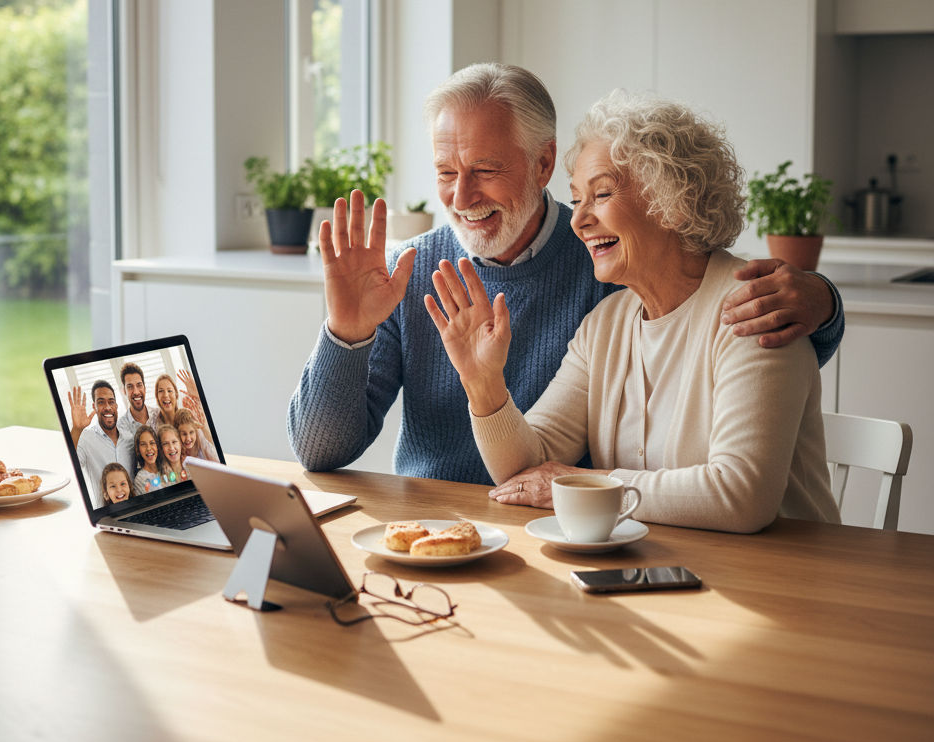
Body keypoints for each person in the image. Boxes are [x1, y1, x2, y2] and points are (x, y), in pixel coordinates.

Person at [288, 63, 845, 485]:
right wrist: (345, 333)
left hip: (566, 529)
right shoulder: (403, 275)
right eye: (445, 172)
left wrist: (822, 302)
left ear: (544, 164)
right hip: (437, 530)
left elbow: (726, 329)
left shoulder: (610, 257)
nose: (461, 197)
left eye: (485, 170)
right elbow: (319, 452)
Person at [426, 91, 840, 532]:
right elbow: (528, 470)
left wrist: (583, 483)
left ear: (673, 202)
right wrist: (483, 385)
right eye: (576, 198)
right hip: (664, 568)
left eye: (601, 194)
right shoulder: (604, 325)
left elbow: (740, 496)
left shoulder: (754, 307)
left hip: (786, 580)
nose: (578, 219)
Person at [71, 380, 135, 508]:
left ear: (116, 406)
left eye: (111, 402)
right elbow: (72, 463)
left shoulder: (130, 438)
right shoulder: (86, 438)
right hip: (106, 514)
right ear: (94, 407)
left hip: (134, 509)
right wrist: (77, 429)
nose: (107, 407)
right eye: (101, 402)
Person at [132, 424, 169, 494]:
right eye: (143, 444)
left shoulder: (167, 467)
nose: (148, 448)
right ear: (138, 450)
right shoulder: (140, 479)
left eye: (152, 443)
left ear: (157, 446)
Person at [118, 362, 152, 436]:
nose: (136, 392)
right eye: (130, 387)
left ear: (144, 388)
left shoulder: (159, 415)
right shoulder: (121, 428)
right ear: (124, 391)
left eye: (139, 385)